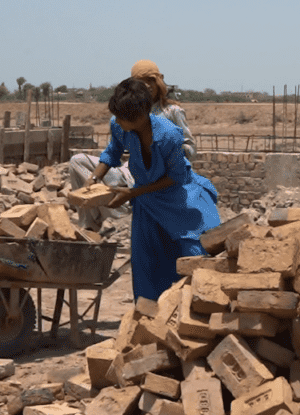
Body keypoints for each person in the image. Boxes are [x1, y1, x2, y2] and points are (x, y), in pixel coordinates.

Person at [84, 77, 219, 301]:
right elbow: (112, 151)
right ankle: (149, 316)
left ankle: (196, 314)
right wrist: (95, 176)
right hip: (147, 202)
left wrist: (132, 193)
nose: (116, 121)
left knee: (195, 256)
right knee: (146, 262)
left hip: (179, 199)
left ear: (138, 117)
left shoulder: (169, 135)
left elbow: (177, 177)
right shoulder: (119, 126)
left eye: (121, 117)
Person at [67, 59, 196, 230]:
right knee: (77, 161)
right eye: (142, 82)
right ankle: (90, 225)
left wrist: (168, 153)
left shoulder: (171, 113)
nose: (148, 86)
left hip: (163, 174)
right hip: (131, 169)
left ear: (158, 81)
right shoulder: (123, 115)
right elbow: (113, 151)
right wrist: (94, 178)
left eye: (151, 80)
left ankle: (133, 207)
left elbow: (190, 149)